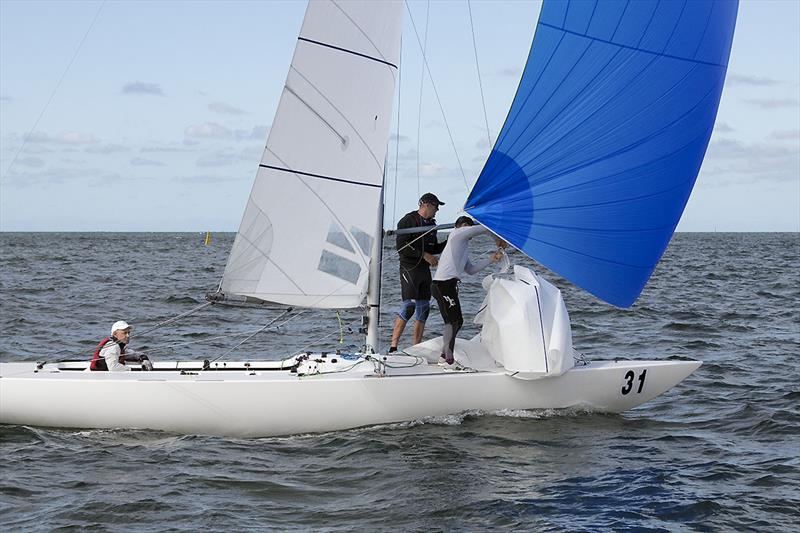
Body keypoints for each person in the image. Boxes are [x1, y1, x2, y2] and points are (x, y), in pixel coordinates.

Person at [431, 216, 507, 368]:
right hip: (442, 285)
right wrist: (497, 240)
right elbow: (485, 227)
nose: (471, 235)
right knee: (453, 321)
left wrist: (491, 259)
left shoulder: (462, 246)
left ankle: (445, 356)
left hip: (448, 285)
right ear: (463, 226)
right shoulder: (457, 234)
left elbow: (471, 270)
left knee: (456, 321)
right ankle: (447, 359)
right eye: (469, 229)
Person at [390, 192, 447, 352]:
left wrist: (450, 241)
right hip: (409, 268)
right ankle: (393, 347)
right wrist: (424, 255)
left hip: (424, 270)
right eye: (436, 207)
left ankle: (416, 348)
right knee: (409, 307)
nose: (437, 210)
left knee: (424, 308)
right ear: (427, 205)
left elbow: (433, 248)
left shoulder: (432, 225)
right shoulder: (408, 220)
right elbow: (401, 247)